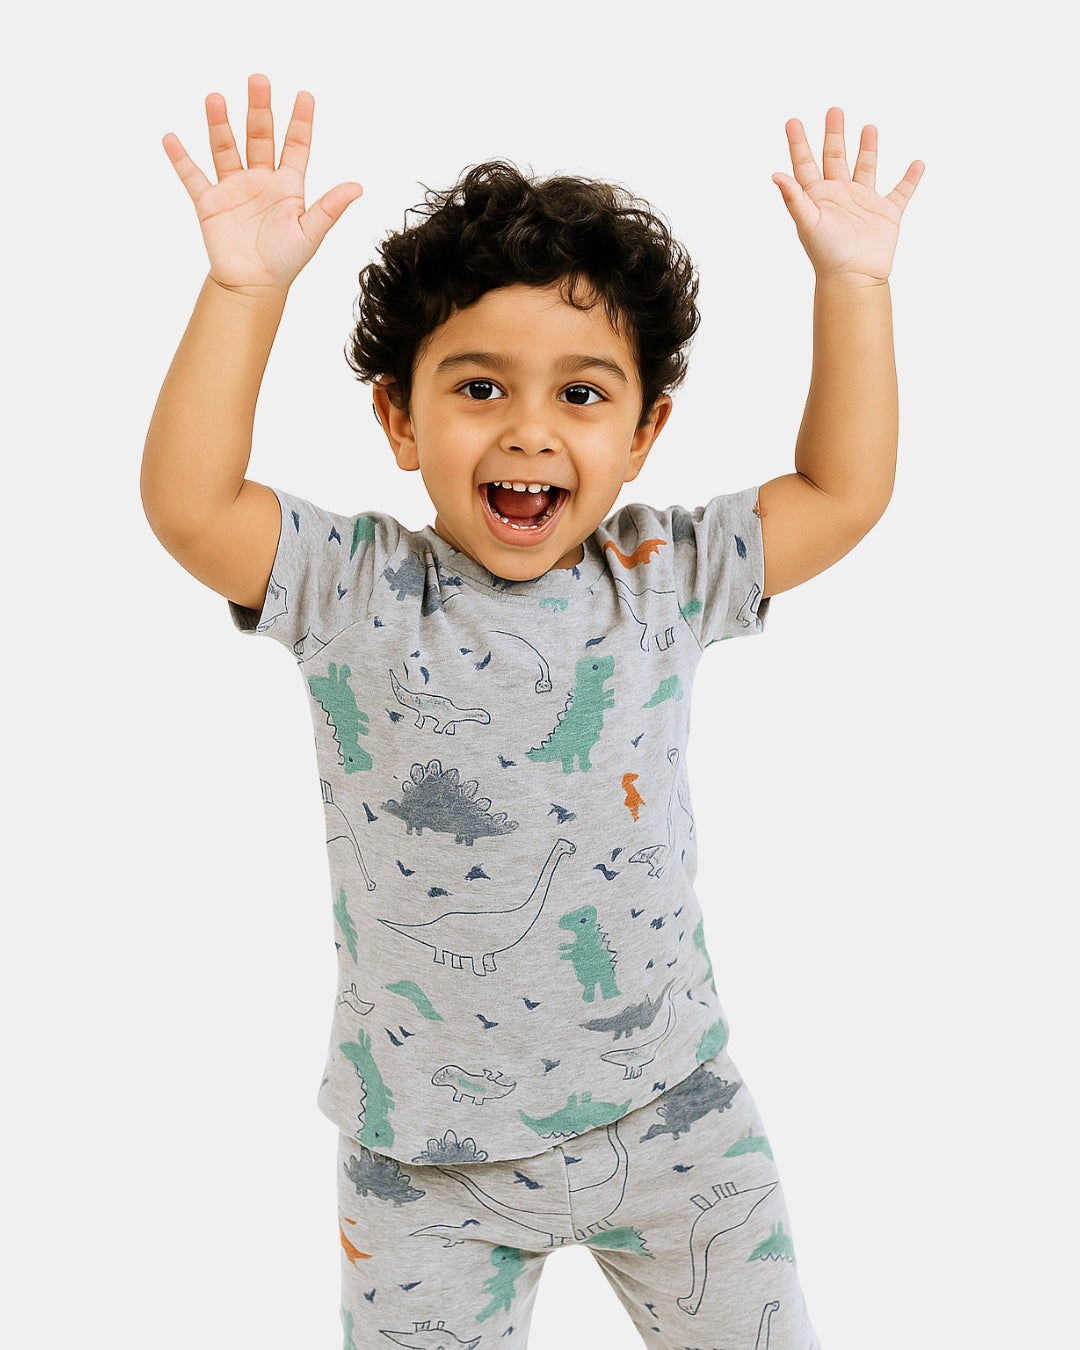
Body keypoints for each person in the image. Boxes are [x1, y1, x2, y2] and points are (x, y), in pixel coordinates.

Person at [142, 73, 922, 1350]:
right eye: (479, 388)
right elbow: (190, 508)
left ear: (645, 431)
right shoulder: (351, 586)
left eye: (582, 394)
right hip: (423, 1156)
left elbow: (844, 490)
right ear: (397, 416)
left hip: (671, 1111)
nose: (530, 432)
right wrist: (243, 294)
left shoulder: (666, 574)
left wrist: (855, 283)